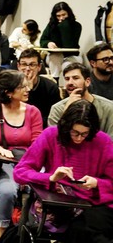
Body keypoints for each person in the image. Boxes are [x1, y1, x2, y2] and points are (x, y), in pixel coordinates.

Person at [14, 100, 113, 242]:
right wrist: (50, 178)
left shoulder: (103, 141)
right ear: (66, 127)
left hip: (91, 205)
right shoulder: (51, 135)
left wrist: (97, 183)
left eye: (85, 134)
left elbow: (111, 181)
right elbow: (20, 172)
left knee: (87, 231)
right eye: (75, 133)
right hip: (57, 202)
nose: (79, 138)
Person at [0, 70, 43, 238]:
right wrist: (0, 149)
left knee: (22, 190)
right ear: (8, 92)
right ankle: (1, 236)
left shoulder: (33, 112)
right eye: (22, 87)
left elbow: (37, 142)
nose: (27, 90)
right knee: (7, 190)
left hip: (26, 162)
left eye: (27, 86)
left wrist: (27, 163)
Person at [48, 62, 113, 138]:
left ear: (87, 82)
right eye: (67, 79)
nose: (70, 83)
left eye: (75, 78)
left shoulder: (108, 107)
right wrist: (67, 112)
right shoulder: (57, 109)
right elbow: (54, 140)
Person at [17, 48, 61, 126]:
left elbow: (52, 117)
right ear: (18, 66)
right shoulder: (11, 85)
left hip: (41, 127)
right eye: (24, 64)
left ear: (39, 67)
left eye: (32, 65)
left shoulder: (50, 87)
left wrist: (31, 91)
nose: (27, 69)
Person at [41, 1, 82, 79]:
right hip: (54, 55)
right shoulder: (51, 25)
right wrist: (48, 43)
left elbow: (69, 45)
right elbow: (43, 39)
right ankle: (55, 81)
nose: (61, 18)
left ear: (68, 14)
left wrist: (63, 26)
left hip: (71, 55)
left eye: (64, 15)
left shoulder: (77, 26)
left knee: (66, 66)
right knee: (55, 58)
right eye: (58, 16)